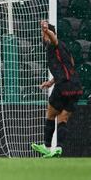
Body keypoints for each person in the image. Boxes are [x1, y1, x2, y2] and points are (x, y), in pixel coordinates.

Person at [31, 21, 83, 158]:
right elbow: (70, 64)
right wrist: (51, 82)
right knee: (62, 118)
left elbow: (54, 39)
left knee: (50, 114)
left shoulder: (54, 44)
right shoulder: (64, 47)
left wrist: (46, 30)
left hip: (64, 85)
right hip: (75, 86)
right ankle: (58, 148)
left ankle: (47, 147)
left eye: (43, 34)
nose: (42, 37)